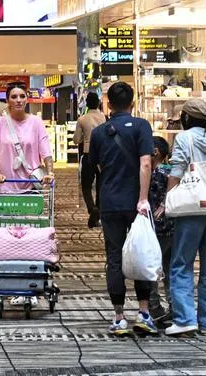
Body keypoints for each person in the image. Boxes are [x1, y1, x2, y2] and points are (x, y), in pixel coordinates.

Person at [84, 81, 157, 336]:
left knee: (114, 257)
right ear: (133, 103)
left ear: (109, 104)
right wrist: (143, 198)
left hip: (111, 202)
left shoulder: (100, 132)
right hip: (136, 202)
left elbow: (94, 167)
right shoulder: (141, 127)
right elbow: (146, 163)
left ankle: (118, 317)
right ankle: (144, 313)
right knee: (140, 254)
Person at [166, 98, 206, 337]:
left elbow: (177, 171)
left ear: (187, 118)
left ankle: (185, 319)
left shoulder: (184, 138)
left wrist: (167, 200)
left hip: (192, 210)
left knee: (181, 263)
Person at [0, 82, 54, 192]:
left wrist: (50, 173)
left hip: (32, 185)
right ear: (7, 101)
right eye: (14, 97)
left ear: (27, 99)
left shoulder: (36, 123)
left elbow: (46, 154)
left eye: (22, 96)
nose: (18, 100)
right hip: (5, 186)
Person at [146, 136, 174, 326]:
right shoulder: (171, 173)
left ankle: (154, 307)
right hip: (171, 227)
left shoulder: (150, 173)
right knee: (171, 269)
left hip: (151, 228)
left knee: (150, 271)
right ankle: (175, 306)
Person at [76, 92, 107, 220]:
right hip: (102, 155)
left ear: (87, 104)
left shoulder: (82, 119)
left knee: (86, 186)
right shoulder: (104, 118)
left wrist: (84, 136)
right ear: (98, 103)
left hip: (88, 154)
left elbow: (76, 139)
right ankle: (98, 211)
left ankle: (91, 208)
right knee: (101, 185)